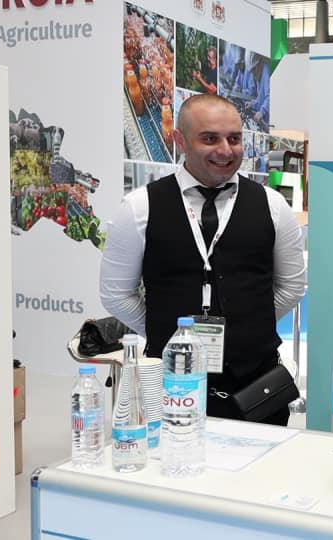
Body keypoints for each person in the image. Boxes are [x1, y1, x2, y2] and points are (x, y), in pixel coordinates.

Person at [100, 94, 305, 426]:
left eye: (234, 139)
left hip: (256, 389)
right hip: (171, 386)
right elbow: (116, 294)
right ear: (180, 141)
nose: (225, 150)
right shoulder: (139, 208)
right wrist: (168, 334)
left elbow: (292, 287)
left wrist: (248, 327)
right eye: (210, 139)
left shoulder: (273, 205)